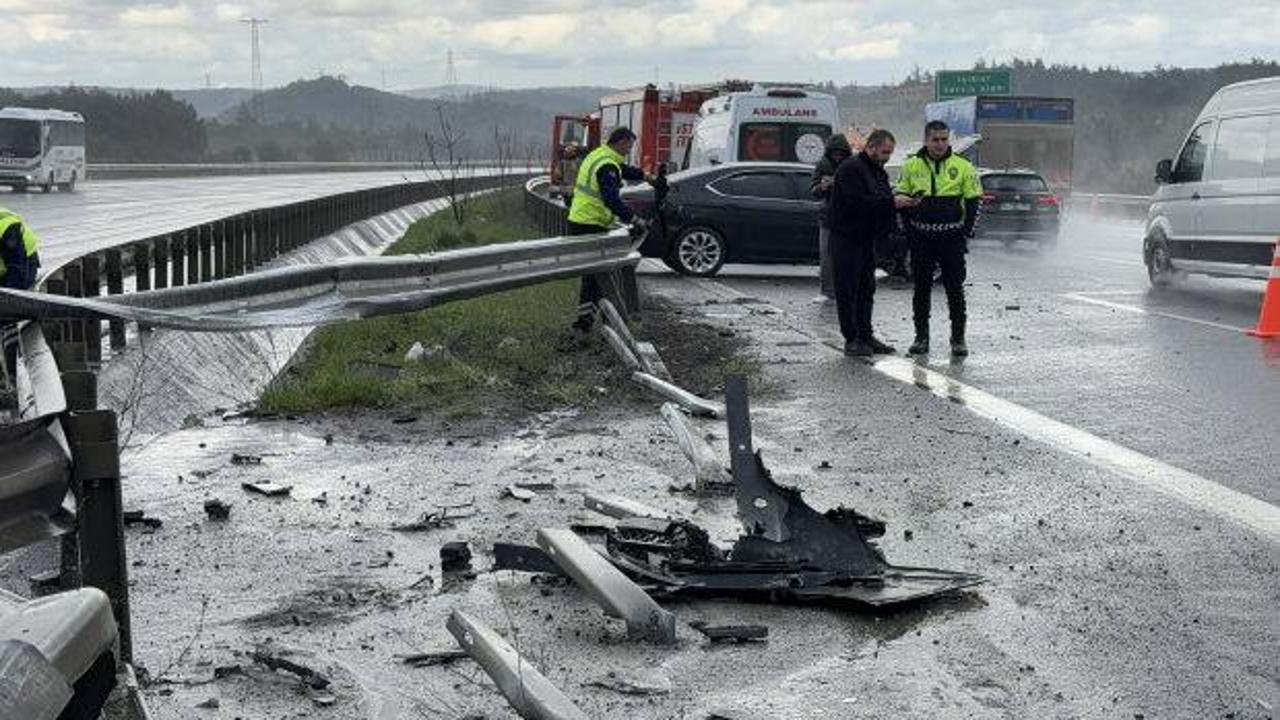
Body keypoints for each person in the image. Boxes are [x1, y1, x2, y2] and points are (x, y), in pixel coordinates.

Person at [828, 129, 918, 356]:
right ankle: (852, 338)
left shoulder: (877, 171)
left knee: (866, 288)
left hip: (867, 239)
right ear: (871, 147)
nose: (887, 157)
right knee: (848, 289)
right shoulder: (851, 168)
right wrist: (892, 202)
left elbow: (881, 202)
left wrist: (891, 227)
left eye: (890, 153)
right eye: (885, 152)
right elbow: (858, 203)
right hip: (846, 238)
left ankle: (866, 334)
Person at [896, 120, 981, 357]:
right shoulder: (911, 165)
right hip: (921, 239)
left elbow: (975, 202)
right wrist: (909, 233)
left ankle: (958, 339)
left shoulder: (963, 166)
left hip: (951, 239)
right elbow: (900, 198)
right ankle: (921, 338)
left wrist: (966, 233)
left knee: (955, 290)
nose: (940, 144)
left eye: (944, 139)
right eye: (935, 139)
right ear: (926, 140)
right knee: (921, 289)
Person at [565, 127, 649, 331]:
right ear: (620, 142)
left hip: (580, 219)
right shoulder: (607, 164)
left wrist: (646, 176)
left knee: (595, 276)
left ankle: (592, 321)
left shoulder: (600, 154)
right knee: (595, 277)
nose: (629, 150)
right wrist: (634, 218)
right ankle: (586, 324)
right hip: (590, 223)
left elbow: (623, 170)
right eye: (629, 145)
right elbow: (611, 199)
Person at [0, 207, 40, 395]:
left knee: (7, 315)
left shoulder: (7, 226)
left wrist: (7, 299)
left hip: (23, 264)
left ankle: (12, 380)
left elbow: (17, 269)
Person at [809, 133, 852, 302]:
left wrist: (843, 184)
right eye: (835, 153)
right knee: (826, 256)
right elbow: (813, 191)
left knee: (847, 256)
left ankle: (846, 290)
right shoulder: (822, 165)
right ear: (829, 152)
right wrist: (823, 186)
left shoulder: (852, 164)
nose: (838, 157)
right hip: (828, 218)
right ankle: (827, 292)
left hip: (849, 218)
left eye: (841, 153)